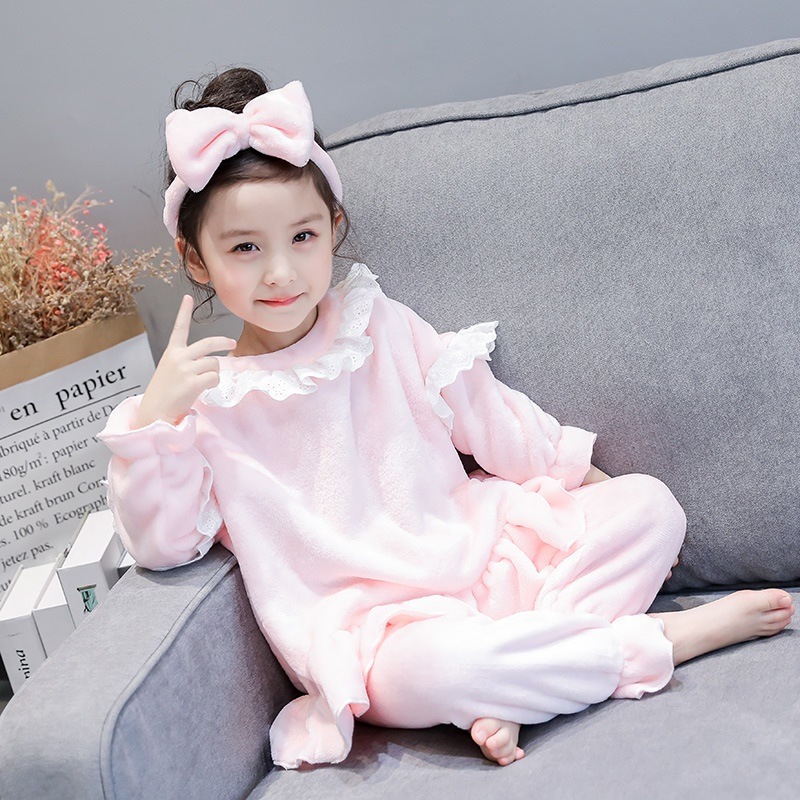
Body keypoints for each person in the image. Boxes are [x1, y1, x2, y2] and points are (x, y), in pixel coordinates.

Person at [96, 67, 795, 771]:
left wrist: (598, 489)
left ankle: (521, 685)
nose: (280, 272)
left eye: (302, 236)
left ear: (334, 228)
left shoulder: (378, 323)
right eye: (245, 248)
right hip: (384, 636)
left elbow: (490, 417)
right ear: (195, 259)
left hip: (485, 562)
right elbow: (164, 546)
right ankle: (657, 645)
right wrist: (155, 422)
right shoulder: (203, 406)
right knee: (444, 670)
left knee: (650, 507)